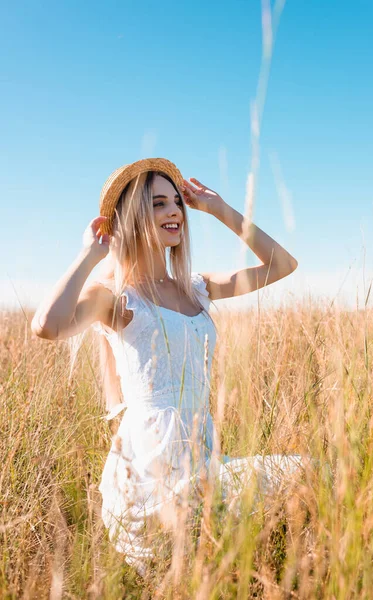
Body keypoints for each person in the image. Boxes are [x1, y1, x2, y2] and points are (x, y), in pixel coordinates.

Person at [31, 157, 302, 576]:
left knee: (308, 476)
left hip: (202, 456)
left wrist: (219, 208)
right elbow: (46, 326)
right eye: (158, 204)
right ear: (133, 216)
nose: (174, 211)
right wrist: (89, 254)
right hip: (149, 470)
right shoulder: (117, 297)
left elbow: (282, 266)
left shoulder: (197, 287)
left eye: (176, 202)